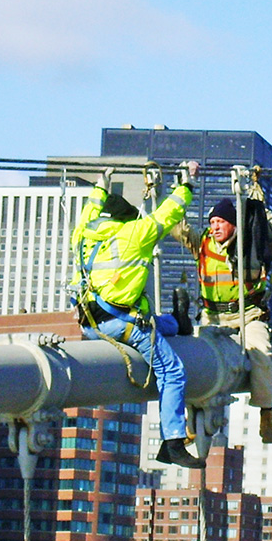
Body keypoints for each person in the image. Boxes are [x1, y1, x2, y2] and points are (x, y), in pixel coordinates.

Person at [71, 163, 204, 469]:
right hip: (120, 325)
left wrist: (102, 185)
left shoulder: (84, 233)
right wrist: (188, 184)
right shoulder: (134, 235)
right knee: (173, 371)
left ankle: (176, 322)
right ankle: (172, 442)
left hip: (91, 323)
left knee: (152, 320)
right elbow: (168, 214)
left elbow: (91, 208)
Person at [172, 191, 272, 443]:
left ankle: (266, 414)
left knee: (261, 355)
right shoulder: (202, 243)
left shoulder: (254, 242)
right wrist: (183, 188)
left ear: (233, 224)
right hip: (213, 319)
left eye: (220, 222)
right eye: (212, 222)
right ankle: (191, 421)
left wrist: (260, 210)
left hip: (248, 315)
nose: (214, 227)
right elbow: (175, 226)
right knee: (197, 362)